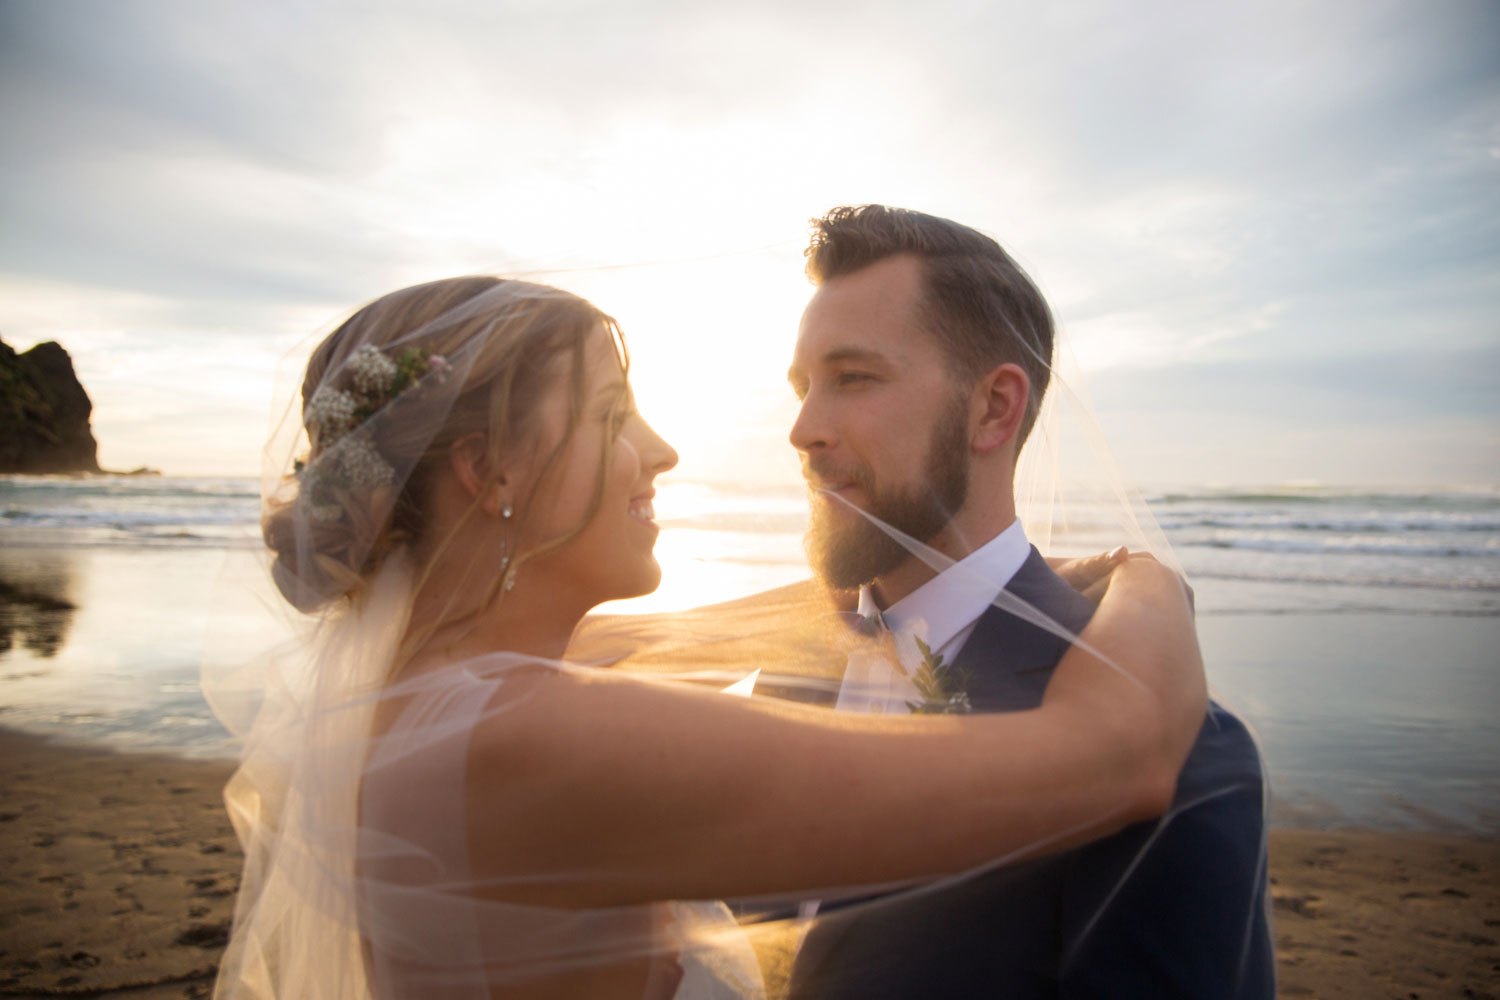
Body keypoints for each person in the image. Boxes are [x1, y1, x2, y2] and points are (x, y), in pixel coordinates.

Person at [207, 274, 1209, 1000]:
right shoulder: (537, 739)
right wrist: (1148, 580)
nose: (662, 449)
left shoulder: (426, 699)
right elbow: (1116, 757)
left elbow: (688, 638)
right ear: (488, 472)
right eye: (612, 415)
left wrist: (944, 582)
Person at [757, 205, 1274, 999]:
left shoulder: (1170, 744)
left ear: (994, 408)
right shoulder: (790, 674)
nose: (802, 428)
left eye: (852, 378)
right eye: (803, 387)